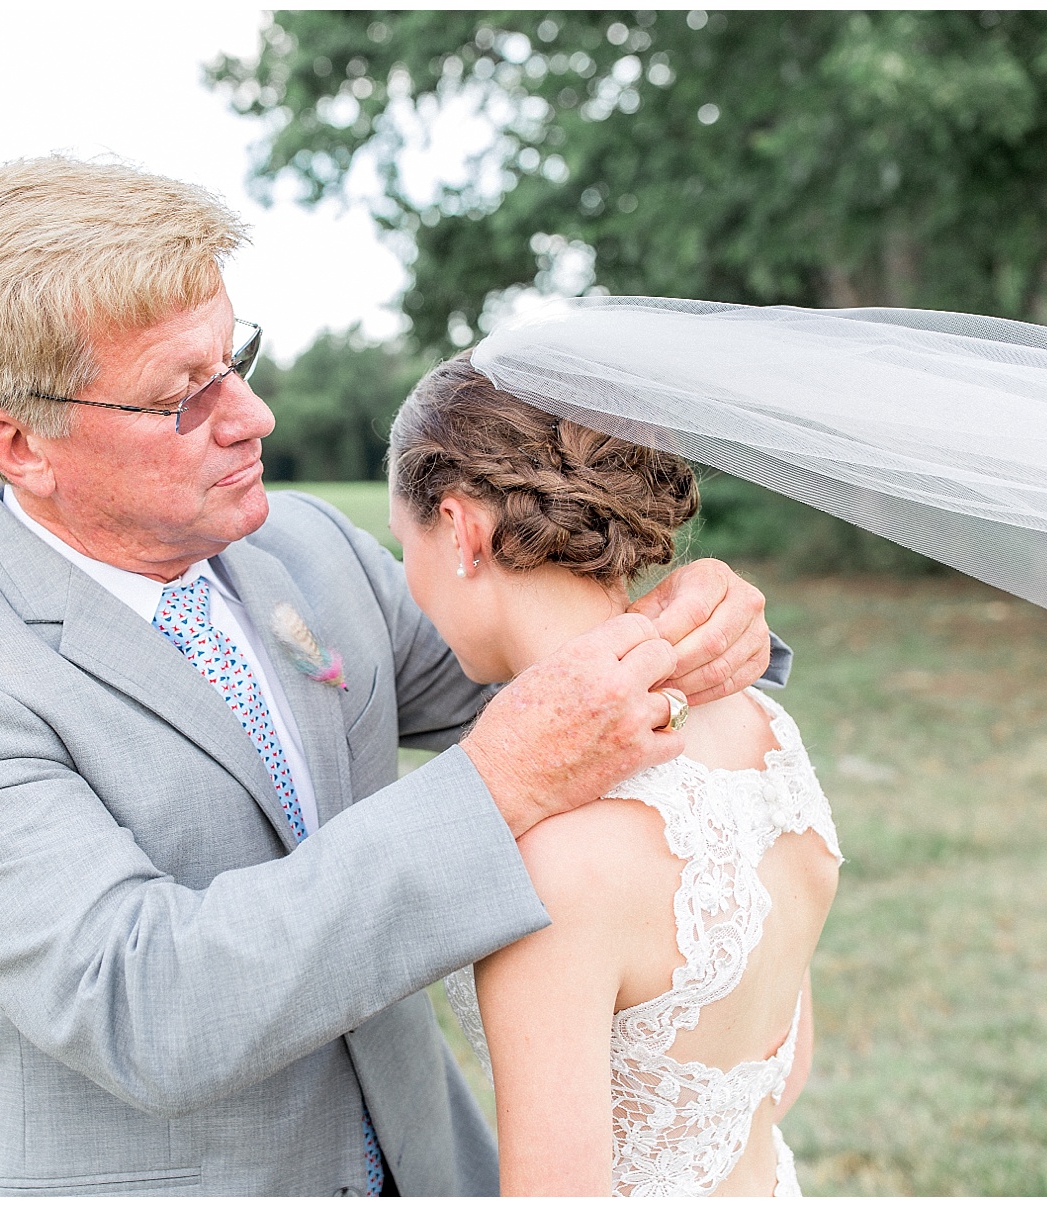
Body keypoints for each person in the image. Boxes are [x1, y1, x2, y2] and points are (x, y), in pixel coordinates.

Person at [0, 156, 783, 1196]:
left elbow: (550, 681)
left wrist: (693, 621)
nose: (252, 415)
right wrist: (497, 785)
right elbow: (146, 1006)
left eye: (232, 359)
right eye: (181, 397)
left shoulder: (308, 549)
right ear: (22, 446)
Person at [384, 353, 840, 1196]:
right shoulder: (766, 727)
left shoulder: (547, 854)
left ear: (459, 530)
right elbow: (783, 1068)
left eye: (402, 543)